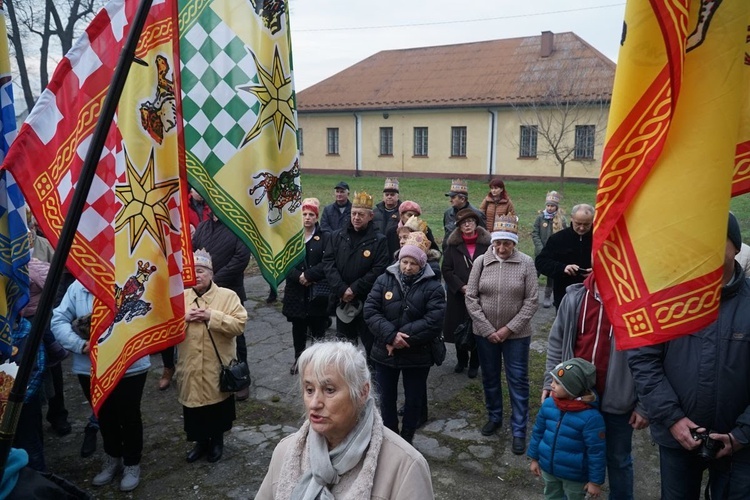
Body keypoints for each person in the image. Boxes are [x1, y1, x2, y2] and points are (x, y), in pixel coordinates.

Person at [627, 213, 750, 500]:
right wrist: (673, 419)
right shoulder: (666, 299)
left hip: (740, 446)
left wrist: (742, 435)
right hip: (677, 439)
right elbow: (644, 360)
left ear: (735, 247)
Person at [255, 341, 434, 499]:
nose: (315, 403)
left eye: (329, 390)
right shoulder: (285, 452)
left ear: (362, 392)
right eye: (309, 390)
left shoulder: (405, 466)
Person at [543, 272, 648, 500]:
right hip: (575, 398)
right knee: (572, 454)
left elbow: (651, 356)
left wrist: (644, 404)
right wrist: (549, 381)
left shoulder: (637, 302)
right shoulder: (575, 297)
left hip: (618, 401)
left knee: (618, 459)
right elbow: (557, 340)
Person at [51, 280, 150, 492]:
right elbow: (58, 319)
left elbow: (150, 314)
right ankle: (112, 456)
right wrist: (81, 344)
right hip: (91, 367)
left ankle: (132, 462)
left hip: (130, 365)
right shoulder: (78, 286)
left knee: (129, 414)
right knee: (103, 414)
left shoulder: (131, 278)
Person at [465, 215, 538, 453]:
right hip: (485, 334)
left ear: (514, 244)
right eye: (498, 243)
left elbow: (532, 301)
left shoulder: (526, 263)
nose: (502, 248)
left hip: (516, 335)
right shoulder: (481, 262)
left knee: (517, 379)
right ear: (492, 242)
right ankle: (494, 417)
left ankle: (519, 429)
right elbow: (471, 297)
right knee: (490, 376)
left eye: (507, 243)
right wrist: (488, 329)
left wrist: (508, 329)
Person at [365, 231, 446, 444]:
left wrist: (402, 339)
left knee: (413, 400)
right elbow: (371, 310)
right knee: (386, 399)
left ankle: (407, 438)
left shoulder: (434, 287)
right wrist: (390, 336)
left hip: (417, 355)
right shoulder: (384, 280)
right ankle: (391, 438)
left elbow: (433, 320)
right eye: (404, 261)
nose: (407, 267)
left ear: (422, 264)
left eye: (413, 263)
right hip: (385, 352)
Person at [178, 249, 248, 464]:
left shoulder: (227, 296)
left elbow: (239, 325)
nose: (196, 275)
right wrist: (184, 318)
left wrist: (212, 316)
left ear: (211, 273)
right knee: (194, 410)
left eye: (201, 271)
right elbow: (164, 329)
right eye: (192, 271)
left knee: (216, 406)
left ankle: (217, 441)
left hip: (216, 366)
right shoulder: (180, 298)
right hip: (189, 365)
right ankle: (200, 443)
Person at [323, 191, 389, 360]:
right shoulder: (337, 236)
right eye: (353, 213)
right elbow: (328, 263)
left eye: (361, 214)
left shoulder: (379, 240)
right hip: (342, 300)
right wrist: (342, 289)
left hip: (368, 302)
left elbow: (378, 269)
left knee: (370, 345)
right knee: (344, 347)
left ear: (370, 216)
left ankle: (371, 378)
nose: (356, 217)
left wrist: (354, 288)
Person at [192, 213, 252, 400]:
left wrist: (213, 279)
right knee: (206, 335)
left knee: (236, 336)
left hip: (229, 291)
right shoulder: (202, 227)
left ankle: (241, 376)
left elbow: (241, 259)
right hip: (201, 292)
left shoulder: (238, 227)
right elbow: (193, 253)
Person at [529, 358, 606, 500]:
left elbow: (596, 452)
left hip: (575, 476)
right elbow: (538, 432)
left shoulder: (591, 418)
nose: (551, 385)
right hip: (549, 468)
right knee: (551, 495)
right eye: (552, 380)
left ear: (573, 387)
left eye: (557, 383)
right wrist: (534, 458)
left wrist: (595, 482)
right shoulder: (549, 405)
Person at [281, 198, 330, 375]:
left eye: (311, 215)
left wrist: (309, 276)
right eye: (304, 214)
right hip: (296, 290)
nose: (307, 218)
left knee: (318, 327)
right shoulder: (292, 238)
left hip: (316, 290)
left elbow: (328, 262)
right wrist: (299, 276)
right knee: (298, 328)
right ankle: (299, 359)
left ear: (316, 217)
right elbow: (284, 262)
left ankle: (317, 362)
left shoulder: (325, 238)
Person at [442, 208, 491, 378]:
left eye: (470, 221)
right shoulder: (453, 246)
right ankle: (461, 360)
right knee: (458, 328)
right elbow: (447, 270)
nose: (467, 225)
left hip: (481, 294)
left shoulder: (487, 245)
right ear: (459, 227)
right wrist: (461, 287)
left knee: (478, 327)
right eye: (463, 223)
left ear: (476, 224)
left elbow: (491, 268)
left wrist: (478, 288)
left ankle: (474, 363)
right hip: (458, 296)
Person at [535, 203, 594, 308]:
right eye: (578, 223)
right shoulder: (558, 239)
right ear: (571, 218)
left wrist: (597, 274)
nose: (581, 228)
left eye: (586, 225)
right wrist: (563, 268)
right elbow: (541, 262)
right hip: (564, 297)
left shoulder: (600, 240)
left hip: (592, 298)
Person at [532, 191, 567, 308]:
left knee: (551, 276)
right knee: (534, 273)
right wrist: (540, 248)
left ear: (556, 207)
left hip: (554, 254)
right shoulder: (540, 218)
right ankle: (531, 294)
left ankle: (547, 295)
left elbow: (564, 235)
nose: (550, 208)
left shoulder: (561, 220)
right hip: (540, 252)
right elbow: (535, 233)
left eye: (552, 206)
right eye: (548, 205)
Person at [442, 178, 486, 249]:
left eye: (453, 197)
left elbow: (483, 238)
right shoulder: (447, 213)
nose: (450, 200)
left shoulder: (477, 215)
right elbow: (446, 234)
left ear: (462, 199)